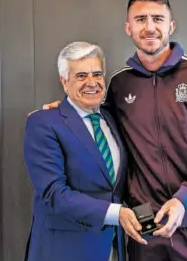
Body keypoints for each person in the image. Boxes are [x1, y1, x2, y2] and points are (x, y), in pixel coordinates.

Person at [44, 0, 187, 261]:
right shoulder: (120, 84)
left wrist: (184, 199)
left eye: (158, 18)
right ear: (128, 28)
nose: (150, 27)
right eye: (140, 19)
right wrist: (63, 109)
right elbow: (94, 121)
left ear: (171, 25)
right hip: (145, 229)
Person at [24, 42, 147, 261]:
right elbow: (54, 194)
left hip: (111, 247)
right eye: (81, 76)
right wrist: (115, 214)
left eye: (97, 74)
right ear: (64, 82)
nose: (92, 83)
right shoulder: (43, 123)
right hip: (63, 250)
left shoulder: (112, 119)